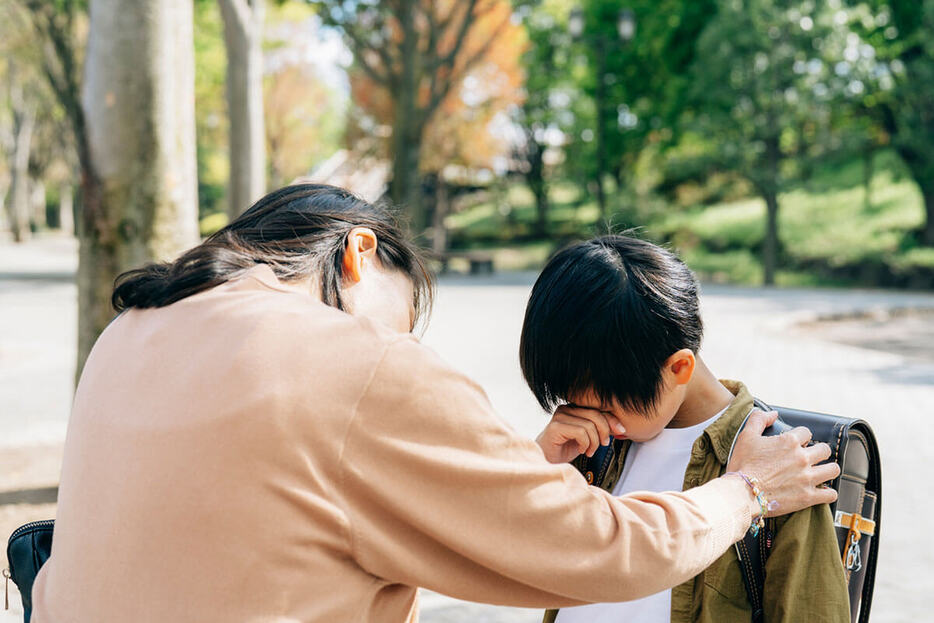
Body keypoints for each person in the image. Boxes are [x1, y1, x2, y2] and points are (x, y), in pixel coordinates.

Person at [31, 185, 838, 622]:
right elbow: (599, 548)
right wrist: (748, 491)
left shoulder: (134, 331)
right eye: (404, 315)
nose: (404, 342)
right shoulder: (353, 362)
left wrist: (517, 471)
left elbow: (292, 510)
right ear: (358, 253)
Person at [523, 234, 850, 623]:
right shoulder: (585, 448)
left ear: (679, 368)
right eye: (572, 401)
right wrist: (536, 467)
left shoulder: (778, 466)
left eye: (605, 405)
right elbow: (508, 561)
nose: (588, 418)